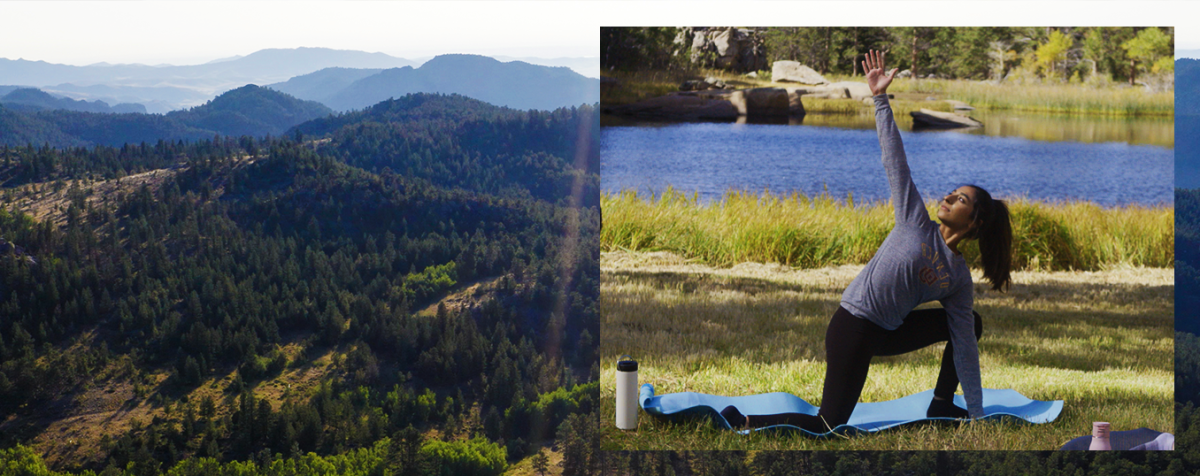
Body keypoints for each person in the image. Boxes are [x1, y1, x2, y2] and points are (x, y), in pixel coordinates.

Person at [721, 50, 1013, 433]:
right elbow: (895, 158)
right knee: (829, 425)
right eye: (951, 192)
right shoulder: (913, 220)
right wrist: (879, 98)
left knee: (969, 324)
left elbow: (964, 345)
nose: (947, 197)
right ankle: (741, 421)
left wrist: (975, 412)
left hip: (889, 332)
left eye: (960, 199)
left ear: (974, 222)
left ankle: (942, 404)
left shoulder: (956, 276)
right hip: (853, 326)